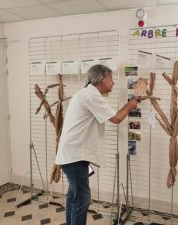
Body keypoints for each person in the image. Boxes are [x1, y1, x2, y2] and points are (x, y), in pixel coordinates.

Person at [55, 64, 139, 225]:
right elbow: (116, 119)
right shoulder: (91, 96)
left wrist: (129, 105)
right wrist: (130, 105)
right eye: (111, 78)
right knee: (82, 199)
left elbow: (113, 116)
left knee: (74, 196)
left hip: (74, 156)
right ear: (101, 79)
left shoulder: (86, 93)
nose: (113, 82)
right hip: (75, 157)